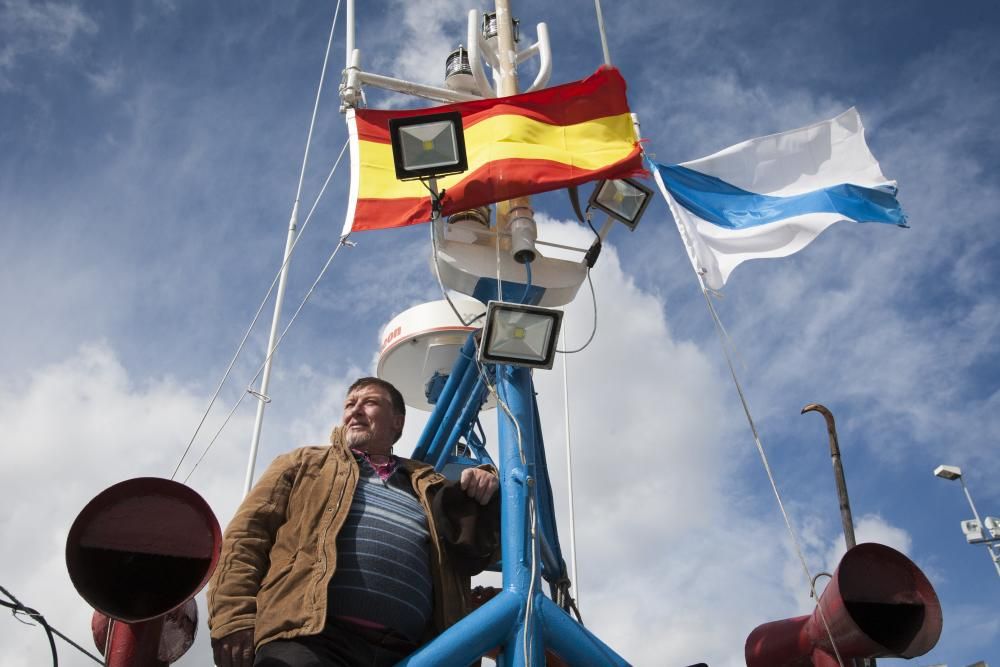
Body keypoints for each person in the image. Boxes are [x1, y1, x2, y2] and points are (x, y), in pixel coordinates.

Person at [208, 376, 500, 667]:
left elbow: (482, 551)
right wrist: (233, 618)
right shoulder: (302, 463)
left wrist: (485, 481)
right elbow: (246, 539)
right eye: (350, 404)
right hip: (307, 641)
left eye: (370, 402)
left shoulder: (428, 486)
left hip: (414, 654)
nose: (355, 410)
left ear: (397, 422)